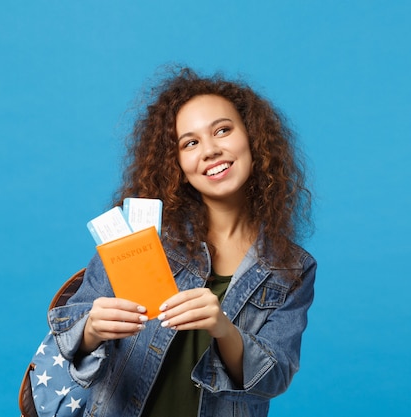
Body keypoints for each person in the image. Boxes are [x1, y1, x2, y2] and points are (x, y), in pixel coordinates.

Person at [48, 67, 317, 417]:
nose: (210, 150)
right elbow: (70, 333)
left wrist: (223, 328)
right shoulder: (140, 234)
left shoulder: (291, 268)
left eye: (222, 130)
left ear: (253, 138)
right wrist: (91, 329)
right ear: (176, 163)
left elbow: (274, 377)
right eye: (190, 142)